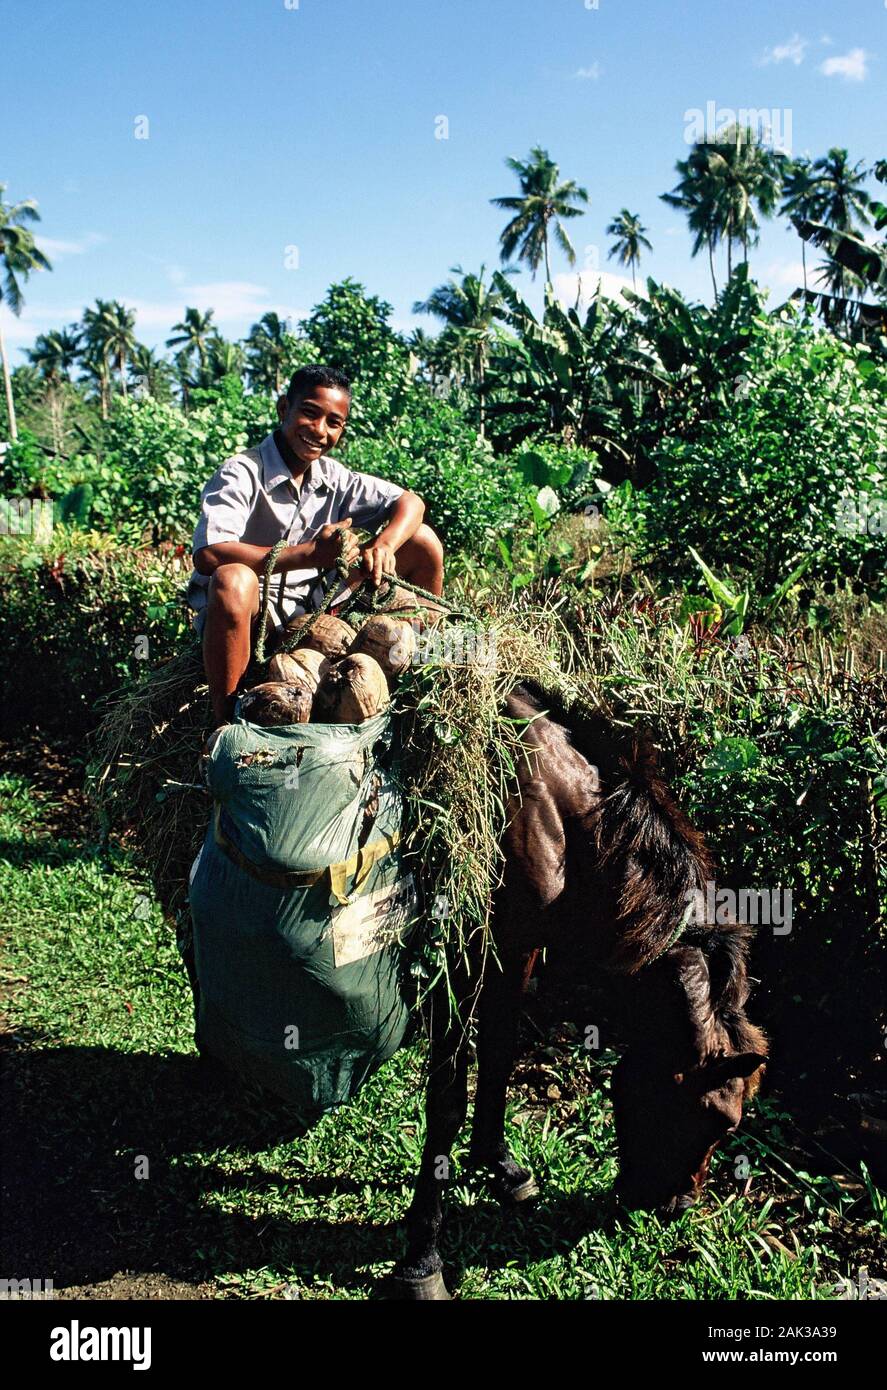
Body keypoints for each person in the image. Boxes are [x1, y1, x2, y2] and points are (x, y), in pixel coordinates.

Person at [186, 364, 444, 729]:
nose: (320, 431)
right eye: (309, 413)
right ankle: (224, 721)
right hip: (252, 613)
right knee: (232, 580)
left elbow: (411, 502)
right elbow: (209, 553)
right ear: (283, 409)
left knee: (422, 541)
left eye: (334, 422)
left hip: (314, 606)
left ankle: (428, 665)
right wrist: (308, 555)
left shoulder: (334, 476)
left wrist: (384, 545)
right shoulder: (241, 471)